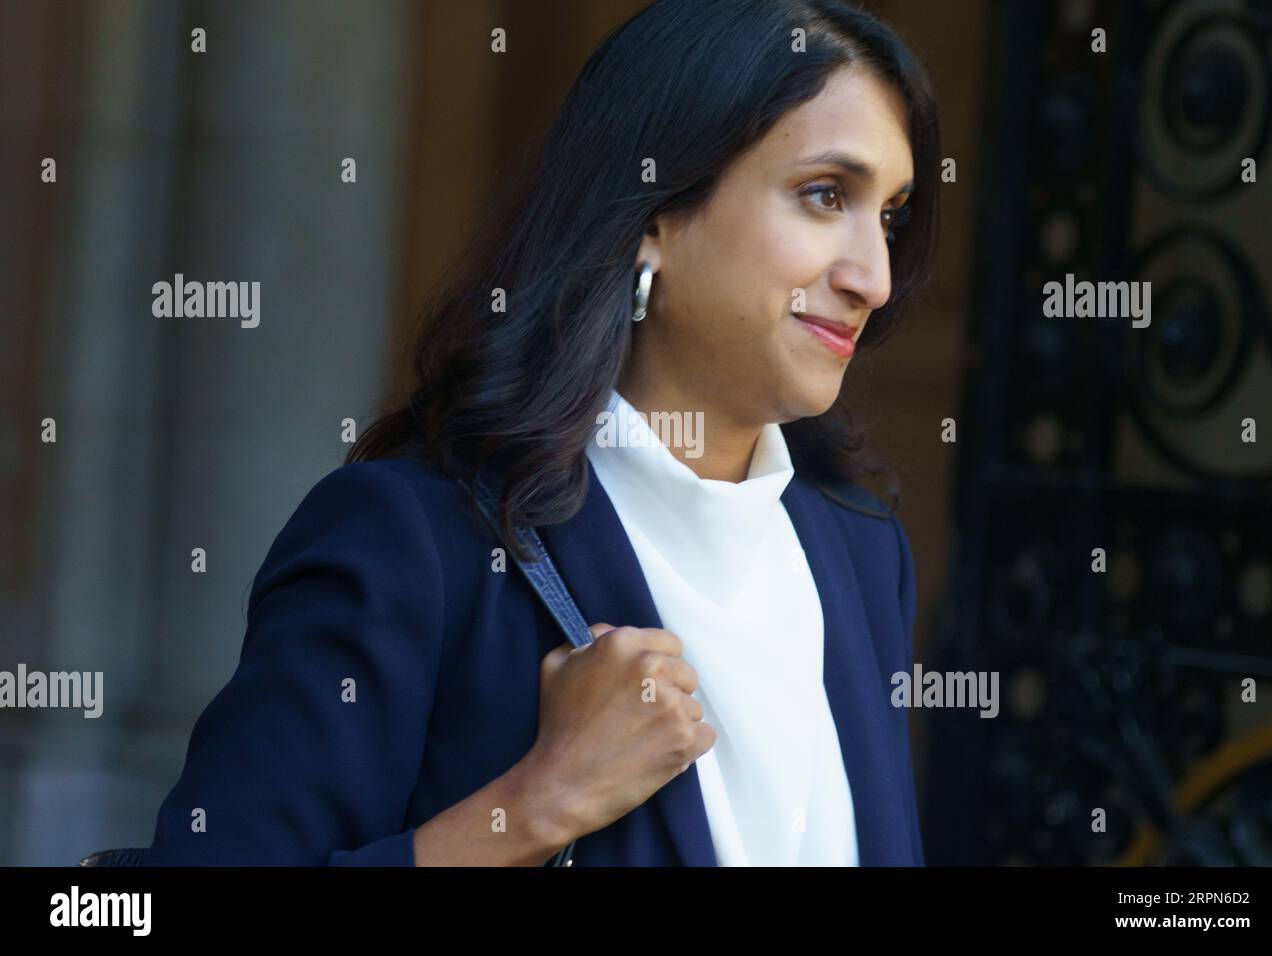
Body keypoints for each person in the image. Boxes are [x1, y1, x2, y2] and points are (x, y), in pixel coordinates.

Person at [148, 0, 940, 866]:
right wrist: (535, 805)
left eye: (890, 216)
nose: (875, 276)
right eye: (825, 195)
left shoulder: (859, 549)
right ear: (654, 216)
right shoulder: (412, 544)